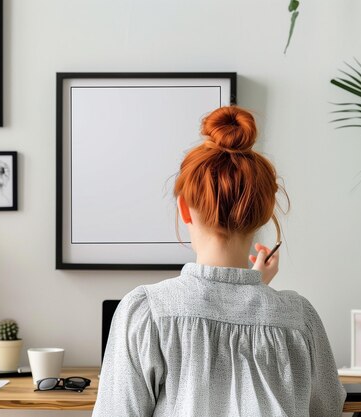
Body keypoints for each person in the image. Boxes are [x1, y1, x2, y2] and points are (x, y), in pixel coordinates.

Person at [93, 106, 345, 417]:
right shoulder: (299, 318)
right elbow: (327, 408)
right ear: (265, 213)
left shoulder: (147, 311)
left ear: (184, 209)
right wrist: (255, 293)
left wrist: (246, 293)